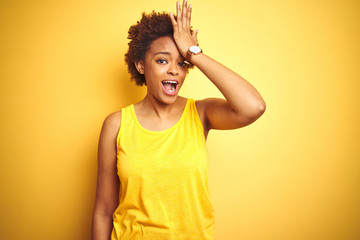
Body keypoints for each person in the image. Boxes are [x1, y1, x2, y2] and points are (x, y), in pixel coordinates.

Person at [91, 0, 266, 239]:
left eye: (181, 63)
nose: (174, 70)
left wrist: (194, 53)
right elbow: (103, 211)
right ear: (141, 65)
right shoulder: (117, 124)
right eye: (162, 60)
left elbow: (253, 107)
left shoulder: (201, 113)